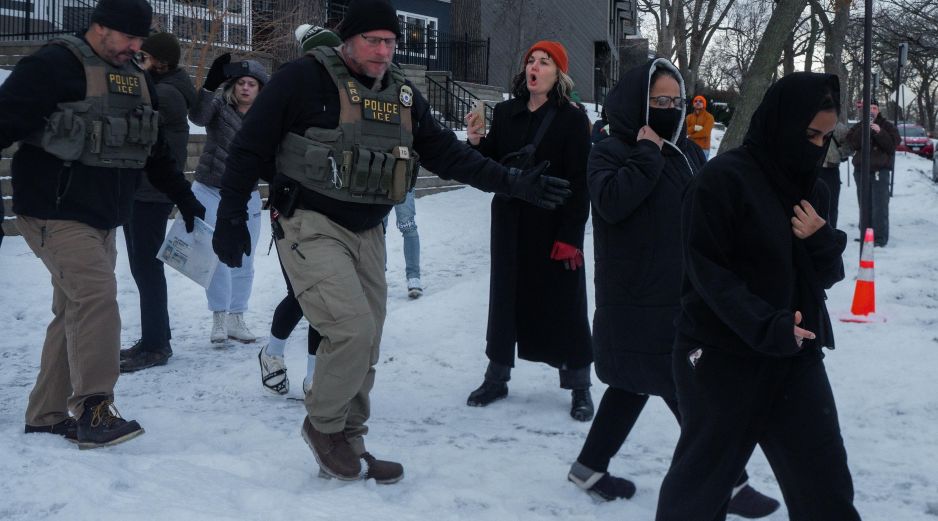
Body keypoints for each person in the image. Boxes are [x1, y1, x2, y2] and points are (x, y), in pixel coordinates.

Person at [211, 0, 570, 484]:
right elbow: (249, 145)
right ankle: (323, 428)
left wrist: (511, 181)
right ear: (348, 40)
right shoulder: (304, 79)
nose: (383, 51)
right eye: (372, 41)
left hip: (368, 230)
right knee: (350, 328)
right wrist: (231, 213)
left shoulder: (400, 93)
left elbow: (445, 153)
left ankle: (350, 441)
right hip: (309, 222)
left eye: (390, 41)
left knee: (369, 338)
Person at [567, 58, 779, 518]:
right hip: (637, 294)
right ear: (636, 103)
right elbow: (611, 203)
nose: (667, 108)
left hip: (680, 290)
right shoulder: (610, 148)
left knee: (634, 382)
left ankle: (589, 466)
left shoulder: (687, 150)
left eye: (674, 101)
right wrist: (647, 152)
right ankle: (731, 482)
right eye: (657, 100)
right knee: (684, 389)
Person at [655, 73, 861, 521]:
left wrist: (823, 239)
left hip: (795, 355)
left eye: (827, 137)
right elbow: (709, 276)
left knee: (825, 487)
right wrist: (768, 324)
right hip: (720, 357)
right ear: (782, 122)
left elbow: (824, 276)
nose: (818, 148)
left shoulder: (813, 187)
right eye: (810, 135)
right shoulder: (720, 181)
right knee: (700, 491)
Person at [0, 0, 204, 448]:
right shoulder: (54, 65)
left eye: (140, 40)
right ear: (99, 27)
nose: (135, 47)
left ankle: (46, 415)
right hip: (53, 212)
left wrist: (184, 198)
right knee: (96, 297)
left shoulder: (136, 77)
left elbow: (153, 149)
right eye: (128, 37)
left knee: (74, 309)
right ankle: (95, 406)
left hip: (104, 217)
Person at [464, 40, 594, 422]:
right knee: (504, 300)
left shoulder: (572, 119)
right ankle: (497, 377)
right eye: (530, 61)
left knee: (566, 303)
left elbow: (580, 182)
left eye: (544, 62)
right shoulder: (505, 113)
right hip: (510, 224)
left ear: (558, 75)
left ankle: (579, 385)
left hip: (554, 226)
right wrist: (475, 142)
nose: (534, 67)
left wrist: (571, 237)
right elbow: (487, 167)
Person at [258, 24, 341, 396]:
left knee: (323, 297)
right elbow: (258, 148)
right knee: (304, 294)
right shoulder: (289, 90)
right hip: (292, 210)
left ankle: (313, 377)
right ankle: (273, 353)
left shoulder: (346, 95)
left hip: (335, 213)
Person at [120, 32, 198, 373]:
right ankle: (155, 337)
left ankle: (156, 345)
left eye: (144, 58)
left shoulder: (164, 93)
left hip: (150, 192)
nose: (139, 62)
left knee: (147, 268)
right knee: (144, 268)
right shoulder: (166, 87)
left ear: (161, 63)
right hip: (145, 189)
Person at [189, 54, 269, 344]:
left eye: (252, 84)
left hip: (247, 194)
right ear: (233, 86)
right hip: (210, 189)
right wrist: (209, 86)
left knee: (245, 258)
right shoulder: (219, 107)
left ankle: (237, 317)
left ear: (260, 89)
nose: (246, 88)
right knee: (217, 255)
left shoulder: (266, 116)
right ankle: (219, 317)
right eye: (241, 83)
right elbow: (197, 116)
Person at [846, 99, 898, 246]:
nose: (872, 111)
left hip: (879, 172)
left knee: (879, 205)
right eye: (870, 108)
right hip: (861, 171)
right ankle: (865, 235)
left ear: (878, 110)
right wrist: (865, 129)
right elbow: (853, 143)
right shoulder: (859, 126)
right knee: (864, 204)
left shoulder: (887, 126)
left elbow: (892, 145)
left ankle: (880, 238)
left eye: (875, 108)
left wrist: (880, 132)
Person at [817, 121, 851, 229]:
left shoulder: (839, 127)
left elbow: (849, 146)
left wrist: (838, 154)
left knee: (831, 206)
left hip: (830, 170)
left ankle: (830, 231)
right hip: (813, 170)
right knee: (812, 204)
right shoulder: (810, 123)